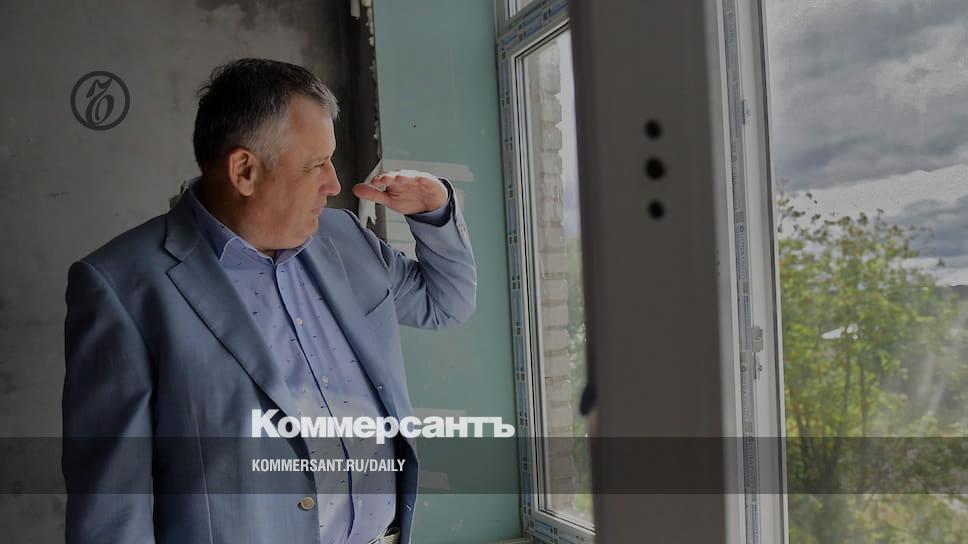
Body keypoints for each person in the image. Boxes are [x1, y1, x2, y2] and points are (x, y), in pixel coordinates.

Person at [62, 58, 476, 544]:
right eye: (315, 164)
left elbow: (445, 303)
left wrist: (434, 210)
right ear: (245, 170)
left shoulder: (343, 236)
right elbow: (111, 510)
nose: (334, 184)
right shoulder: (122, 286)